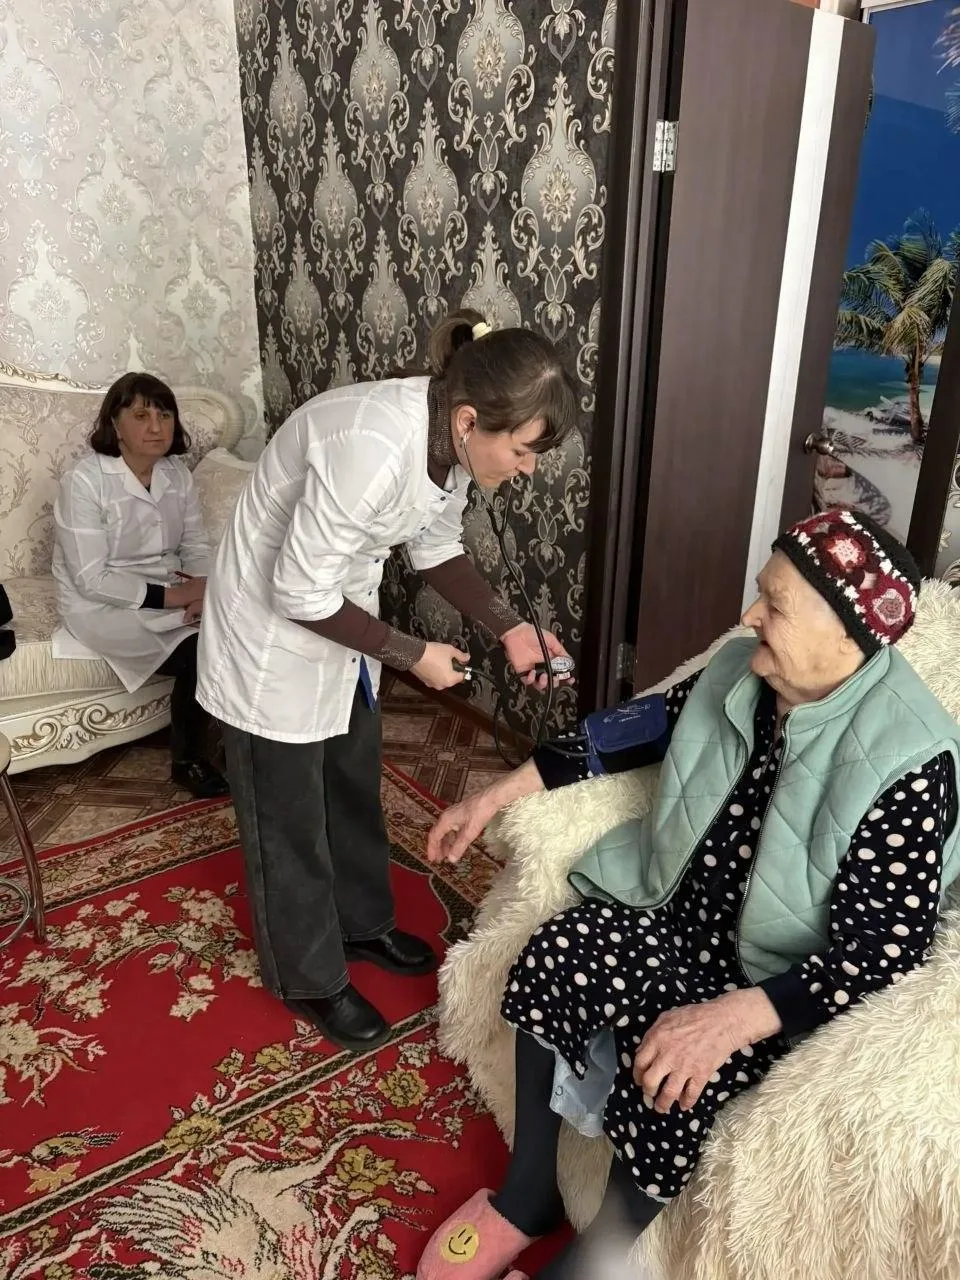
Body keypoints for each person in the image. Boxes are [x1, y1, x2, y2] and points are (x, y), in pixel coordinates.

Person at [417, 509, 960, 1280]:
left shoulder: (910, 760)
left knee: (672, 1083)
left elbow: (881, 956)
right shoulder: (744, 668)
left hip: (770, 979)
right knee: (553, 956)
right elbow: (629, 731)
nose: (750, 616)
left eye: (775, 605)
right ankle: (529, 1190)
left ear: (849, 637)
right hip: (674, 916)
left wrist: (728, 1020)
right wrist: (494, 795)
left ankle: (596, 1258)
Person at [196, 310, 578, 1052]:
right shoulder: (372, 446)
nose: (527, 469)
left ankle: (363, 924)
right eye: (524, 450)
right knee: (288, 819)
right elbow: (298, 591)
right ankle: (308, 976)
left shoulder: (449, 445)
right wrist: (411, 654)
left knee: (350, 780)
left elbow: (436, 547)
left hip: (341, 623)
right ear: (469, 422)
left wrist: (510, 628)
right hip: (271, 634)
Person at [52, 373, 228, 800]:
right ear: (115, 424)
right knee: (200, 650)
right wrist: (177, 597)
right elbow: (91, 578)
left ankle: (244, 742)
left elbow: (195, 545)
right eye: (141, 415)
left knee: (233, 628)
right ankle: (188, 761)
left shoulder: (176, 474)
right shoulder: (85, 481)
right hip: (101, 604)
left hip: (168, 584)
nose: (156, 427)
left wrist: (203, 591)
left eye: (165, 415)